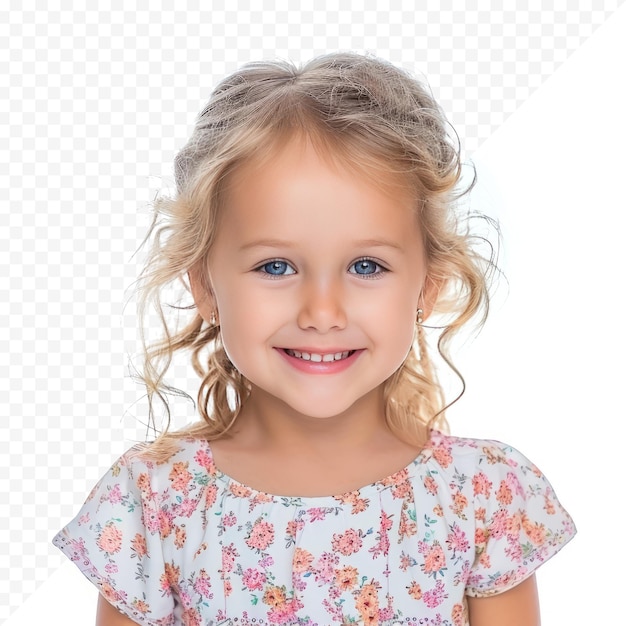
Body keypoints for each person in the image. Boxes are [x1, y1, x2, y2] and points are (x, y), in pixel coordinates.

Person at [53, 52, 575, 626]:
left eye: (367, 266)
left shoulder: (482, 497)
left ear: (429, 285)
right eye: (276, 267)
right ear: (204, 284)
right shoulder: (154, 501)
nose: (322, 313)